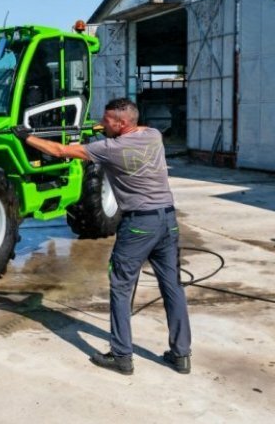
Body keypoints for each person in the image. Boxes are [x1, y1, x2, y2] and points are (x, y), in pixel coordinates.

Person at [13, 97, 191, 376]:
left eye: (107, 120)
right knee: (172, 287)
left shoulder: (109, 148)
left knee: (121, 287)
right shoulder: (154, 136)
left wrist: (28, 137)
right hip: (167, 221)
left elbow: (60, 150)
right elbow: (135, 128)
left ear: (121, 124)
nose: (103, 123)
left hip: (138, 226)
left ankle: (121, 355)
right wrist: (102, 127)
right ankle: (181, 355)